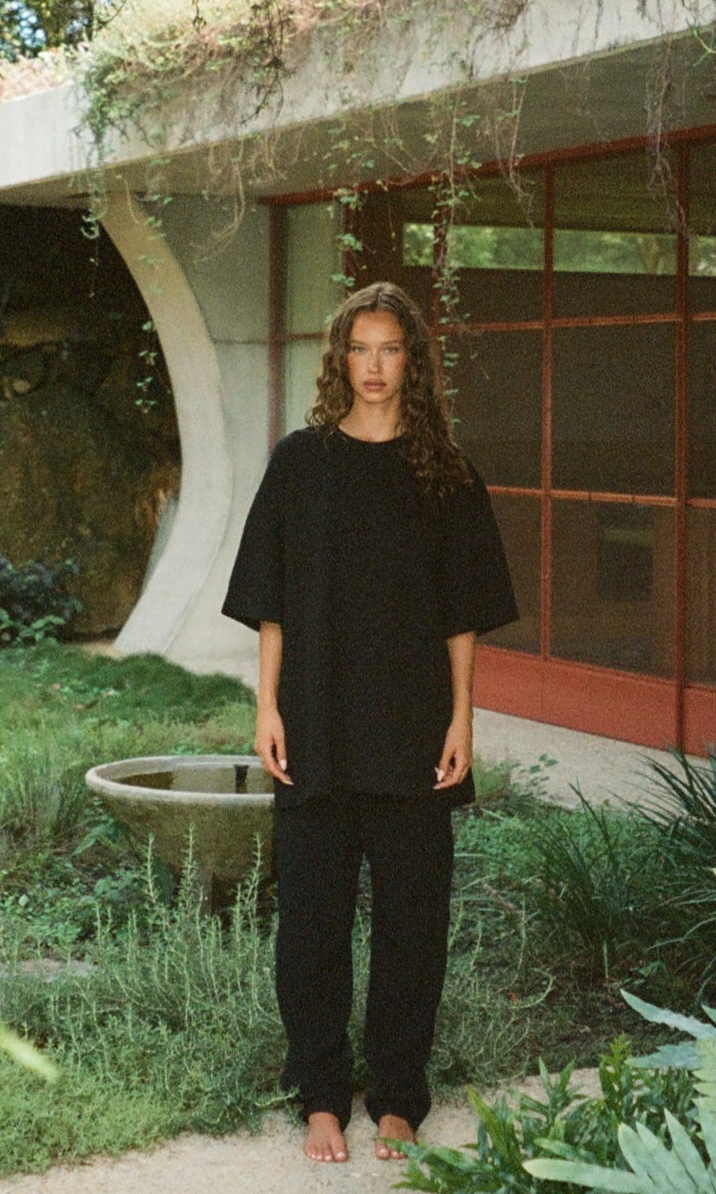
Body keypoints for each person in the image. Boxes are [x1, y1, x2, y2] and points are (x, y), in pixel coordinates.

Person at [222, 280, 518, 1165]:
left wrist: (463, 719)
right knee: (310, 923)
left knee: (411, 925)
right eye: (362, 349)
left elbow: (462, 615)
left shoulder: (448, 475)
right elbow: (271, 605)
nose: (376, 366)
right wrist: (267, 707)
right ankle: (320, 1094)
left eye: (392, 350)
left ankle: (396, 1098)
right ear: (340, 360)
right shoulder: (300, 464)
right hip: (314, 724)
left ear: (412, 363)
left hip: (414, 729)